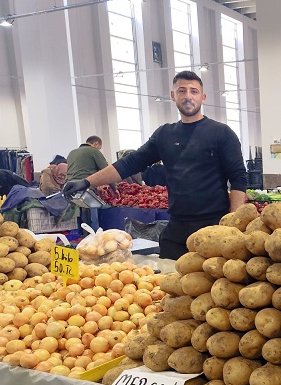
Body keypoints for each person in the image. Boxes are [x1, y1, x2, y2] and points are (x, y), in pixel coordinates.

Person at [63, 71, 248, 259]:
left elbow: (238, 178)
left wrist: (233, 224)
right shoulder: (165, 135)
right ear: (173, 95)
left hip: (213, 226)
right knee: (169, 282)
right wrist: (86, 182)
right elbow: (129, 163)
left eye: (194, 91)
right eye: (182, 91)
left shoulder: (222, 133)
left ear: (203, 97)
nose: (188, 96)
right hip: (176, 227)